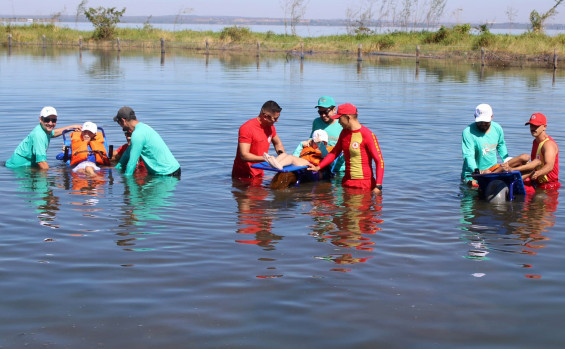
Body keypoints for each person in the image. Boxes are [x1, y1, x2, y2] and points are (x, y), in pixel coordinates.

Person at [308, 103, 384, 194]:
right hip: (346, 183)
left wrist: (378, 186)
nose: (339, 122)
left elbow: (379, 161)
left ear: (348, 117)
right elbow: (334, 153)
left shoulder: (367, 134)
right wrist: (318, 167)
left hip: (364, 184)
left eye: (340, 119)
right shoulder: (344, 133)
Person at [5, 106, 82, 170]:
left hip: (26, 165)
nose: (50, 123)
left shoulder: (44, 129)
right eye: (47, 120)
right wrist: (53, 176)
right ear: (40, 119)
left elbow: (53, 133)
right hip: (18, 168)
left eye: (53, 120)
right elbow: (41, 162)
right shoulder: (39, 135)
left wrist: (72, 127)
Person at [113, 106, 180, 177]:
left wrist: (125, 179)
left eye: (118, 122)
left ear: (123, 121)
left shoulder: (137, 134)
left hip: (167, 174)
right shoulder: (143, 128)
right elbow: (127, 153)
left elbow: (132, 163)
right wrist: (116, 169)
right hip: (171, 170)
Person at [501, 113, 559, 190]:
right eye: (531, 125)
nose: (533, 128)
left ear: (544, 127)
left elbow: (549, 166)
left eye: (536, 126)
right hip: (536, 182)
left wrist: (538, 173)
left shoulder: (548, 145)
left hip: (549, 186)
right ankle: (501, 172)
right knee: (523, 158)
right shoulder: (535, 142)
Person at [232, 100, 285, 180]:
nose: (277, 121)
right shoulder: (247, 128)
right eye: (275, 118)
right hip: (243, 177)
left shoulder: (270, 127)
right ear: (265, 116)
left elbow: (278, 143)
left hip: (259, 173)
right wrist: (267, 159)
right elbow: (244, 155)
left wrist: (282, 155)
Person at [461, 103, 510, 186]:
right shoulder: (468, 132)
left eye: (486, 121)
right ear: (475, 117)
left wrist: (506, 161)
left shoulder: (497, 128)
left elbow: (501, 145)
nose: (483, 123)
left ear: (491, 117)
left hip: (492, 170)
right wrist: (476, 171)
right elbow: (468, 155)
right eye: (480, 121)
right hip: (472, 174)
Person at [293, 96, 345, 172]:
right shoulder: (317, 122)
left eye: (326, 112)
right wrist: (308, 142)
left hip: (338, 166)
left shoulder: (342, 124)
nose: (323, 115)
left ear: (334, 109)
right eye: (320, 112)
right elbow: (311, 138)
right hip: (319, 160)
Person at [264, 129, 332, 170]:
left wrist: (320, 145)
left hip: (311, 165)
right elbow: (295, 156)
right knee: (284, 154)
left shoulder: (327, 150)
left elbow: (326, 157)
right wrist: (301, 145)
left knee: (291, 157)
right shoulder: (308, 148)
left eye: (323, 142)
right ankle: (274, 162)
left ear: (326, 143)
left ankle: (279, 165)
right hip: (302, 164)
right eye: (316, 142)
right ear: (311, 142)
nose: (318, 145)